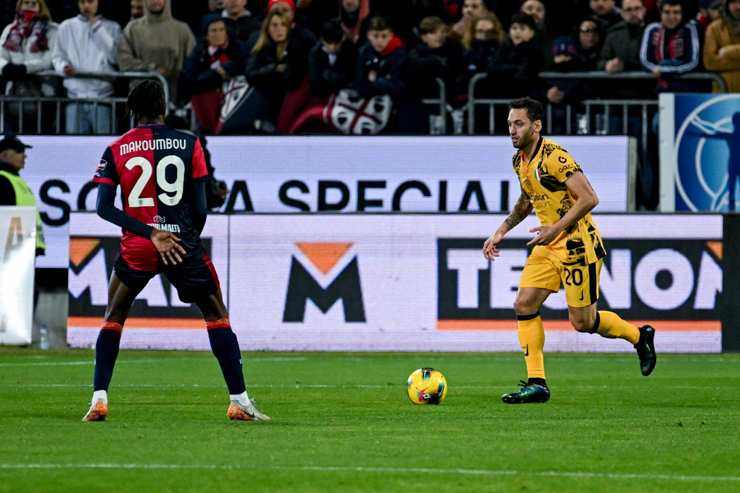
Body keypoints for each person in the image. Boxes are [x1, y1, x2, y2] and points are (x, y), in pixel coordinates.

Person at [83, 80, 269, 422]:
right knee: (216, 314)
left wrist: (150, 233)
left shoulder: (115, 148)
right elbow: (200, 208)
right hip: (182, 244)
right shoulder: (189, 142)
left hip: (138, 246)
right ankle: (239, 401)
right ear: (164, 107)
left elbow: (104, 209)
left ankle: (98, 399)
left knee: (113, 316)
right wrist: (178, 239)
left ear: (131, 109)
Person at [482, 97, 657, 404]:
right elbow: (527, 200)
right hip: (548, 245)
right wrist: (501, 230)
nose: (512, 129)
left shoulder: (555, 157)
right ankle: (537, 383)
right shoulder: (519, 160)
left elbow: (589, 198)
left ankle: (638, 336)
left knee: (583, 323)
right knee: (524, 304)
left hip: (577, 244)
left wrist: (556, 228)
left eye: (519, 123)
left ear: (536, 126)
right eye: (510, 123)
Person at [52, 0, 121, 135]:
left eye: (90, 1)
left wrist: (97, 28)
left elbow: (115, 58)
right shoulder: (66, 26)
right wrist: (63, 67)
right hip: (74, 98)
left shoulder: (113, 27)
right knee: (74, 150)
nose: (86, 6)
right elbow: (57, 56)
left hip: (103, 99)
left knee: (104, 148)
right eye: (82, 2)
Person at [117, 0, 195, 104]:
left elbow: (193, 62)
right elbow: (124, 61)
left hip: (173, 99)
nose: (155, 1)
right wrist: (151, 68)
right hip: (141, 98)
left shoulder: (181, 29)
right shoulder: (132, 28)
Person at [180, 17, 247, 133]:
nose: (218, 34)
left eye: (222, 30)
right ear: (206, 35)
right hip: (207, 98)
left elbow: (243, 66)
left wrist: (225, 69)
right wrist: (216, 73)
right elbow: (190, 77)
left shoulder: (238, 48)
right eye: (214, 31)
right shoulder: (199, 52)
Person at [0, 0, 58, 132]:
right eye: (26, 3)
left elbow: (49, 59)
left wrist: (25, 68)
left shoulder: (52, 30)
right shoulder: (10, 29)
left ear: (40, 7)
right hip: (13, 95)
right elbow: (1, 56)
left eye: (33, 3)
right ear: (19, 5)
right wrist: (5, 67)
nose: (29, 7)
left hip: (43, 94)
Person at [640, 0, 700, 91]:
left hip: (684, 89)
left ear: (682, 13)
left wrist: (664, 70)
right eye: (667, 12)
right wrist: (657, 69)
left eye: (676, 12)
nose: (671, 17)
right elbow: (644, 60)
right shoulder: (652, 29)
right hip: (655, 90)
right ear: (661, 13)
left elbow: (693, 62)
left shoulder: (689, 29)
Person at [0, 135, 45, 256]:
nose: (24, 155)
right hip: (12, 250)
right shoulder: (3, 180)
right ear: (4, 155)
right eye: (19, 151)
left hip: (20, 249)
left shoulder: (15, 180)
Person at [487, 13, 543, 98]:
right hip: (502, 99)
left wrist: (504, 73)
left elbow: (523, 76)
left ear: (532, 33)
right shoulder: (503, 48)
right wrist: (514, 68)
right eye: (514, 28)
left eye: (522, 28)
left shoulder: (535, 52)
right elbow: (491, 68)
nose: (517, 31)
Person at [598, 0, 646, 74]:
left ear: (644, 10)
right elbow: (600, 62)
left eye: (637, 8)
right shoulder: (614, 33)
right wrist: (607, 65)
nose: (633, 13)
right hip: (621, 82)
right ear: (622, 13)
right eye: (628, 10)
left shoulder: (654, 31)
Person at [703, 0, 740, 93]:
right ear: (726, 4)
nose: (738, 6)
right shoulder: (714, 28)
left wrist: (729, 51)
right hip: (723, 94)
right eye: (734, 2)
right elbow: (710, 62)